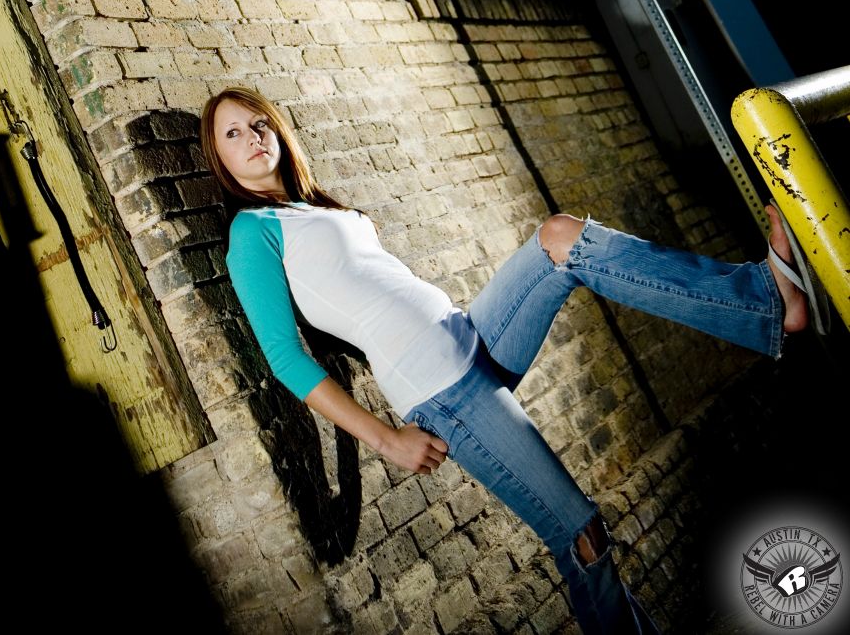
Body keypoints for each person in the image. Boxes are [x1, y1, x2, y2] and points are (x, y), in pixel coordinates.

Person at [199, 86, 809, 635]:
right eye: (233, 134)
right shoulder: (251, 233)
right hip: (443, 392)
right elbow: (284, 357)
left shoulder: (314, 208)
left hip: (469, 335)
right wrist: (385, 440)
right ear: (219, 160)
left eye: (259, 124)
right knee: (581, 535)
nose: (252, 139)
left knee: (560, 237)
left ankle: (762, 301)